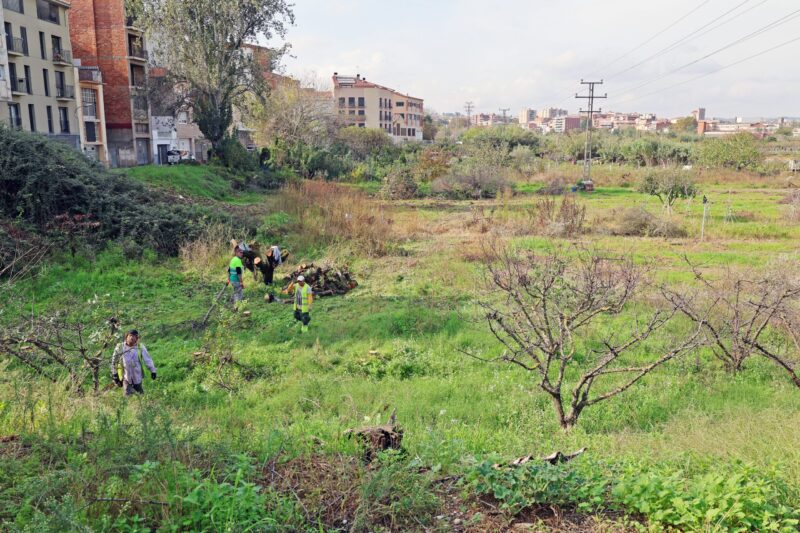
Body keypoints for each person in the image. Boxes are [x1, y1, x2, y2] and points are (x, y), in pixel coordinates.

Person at [111, 329, 156, 396]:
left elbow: (148, 359)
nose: (132, 338)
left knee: (141, 396)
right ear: (126, 337)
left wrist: (153, 371)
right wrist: (115, 375)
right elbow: (114, 362)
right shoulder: (120, 347)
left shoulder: (140, 347)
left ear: (137, 338)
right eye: (130, 335)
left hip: (137, 377)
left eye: (134, 336)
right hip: (125, 377)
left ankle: (141, 405)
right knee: (127, 396)